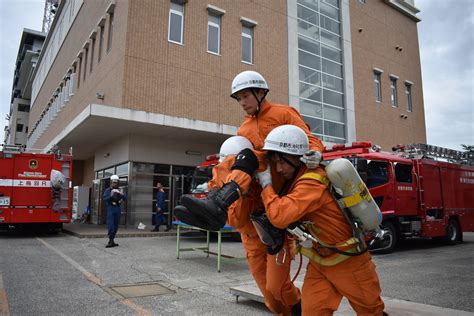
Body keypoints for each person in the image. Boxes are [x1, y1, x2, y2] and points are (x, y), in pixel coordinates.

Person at [255, 125, 385, 315]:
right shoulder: (298, 181)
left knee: (371, 312)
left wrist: (266, 184)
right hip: (320, 263)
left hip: (349, 263)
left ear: (297, 158)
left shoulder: (312, 181)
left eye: (281, 161)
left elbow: (280, 217)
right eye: (274, 163)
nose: (278, 168)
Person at [176, 70, 324, 231]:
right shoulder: (244, 128)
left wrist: (316, 152)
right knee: (231, 159)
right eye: (239, 99)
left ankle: (218, 205)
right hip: (259, 181)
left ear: (260, 92)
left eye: (246, 96)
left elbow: (308, 138)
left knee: (244, 156)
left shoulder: (284, 113)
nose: (242, 103)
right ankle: (213, 201)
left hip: (282, 173)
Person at [188, 135, 301, 315]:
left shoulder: (269, 168)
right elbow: (236, 220)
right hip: (251, 240)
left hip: (275, 238)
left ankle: (297, 305)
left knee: (278, 286)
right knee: (269, 296)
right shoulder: (229, 179)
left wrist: (263, 183)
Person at [103, 175, 127, 248]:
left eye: (116, 182)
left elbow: (125, 198)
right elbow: (105, 199)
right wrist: (111, 196)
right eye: (113, 182)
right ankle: (110, 240)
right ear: (111, 182)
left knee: (116, 225)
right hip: (111, 208)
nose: (115, 184)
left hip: (117, 208)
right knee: (111, 225)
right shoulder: (108, 190)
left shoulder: (120, 190)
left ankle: (112, 240)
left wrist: (122, 194)